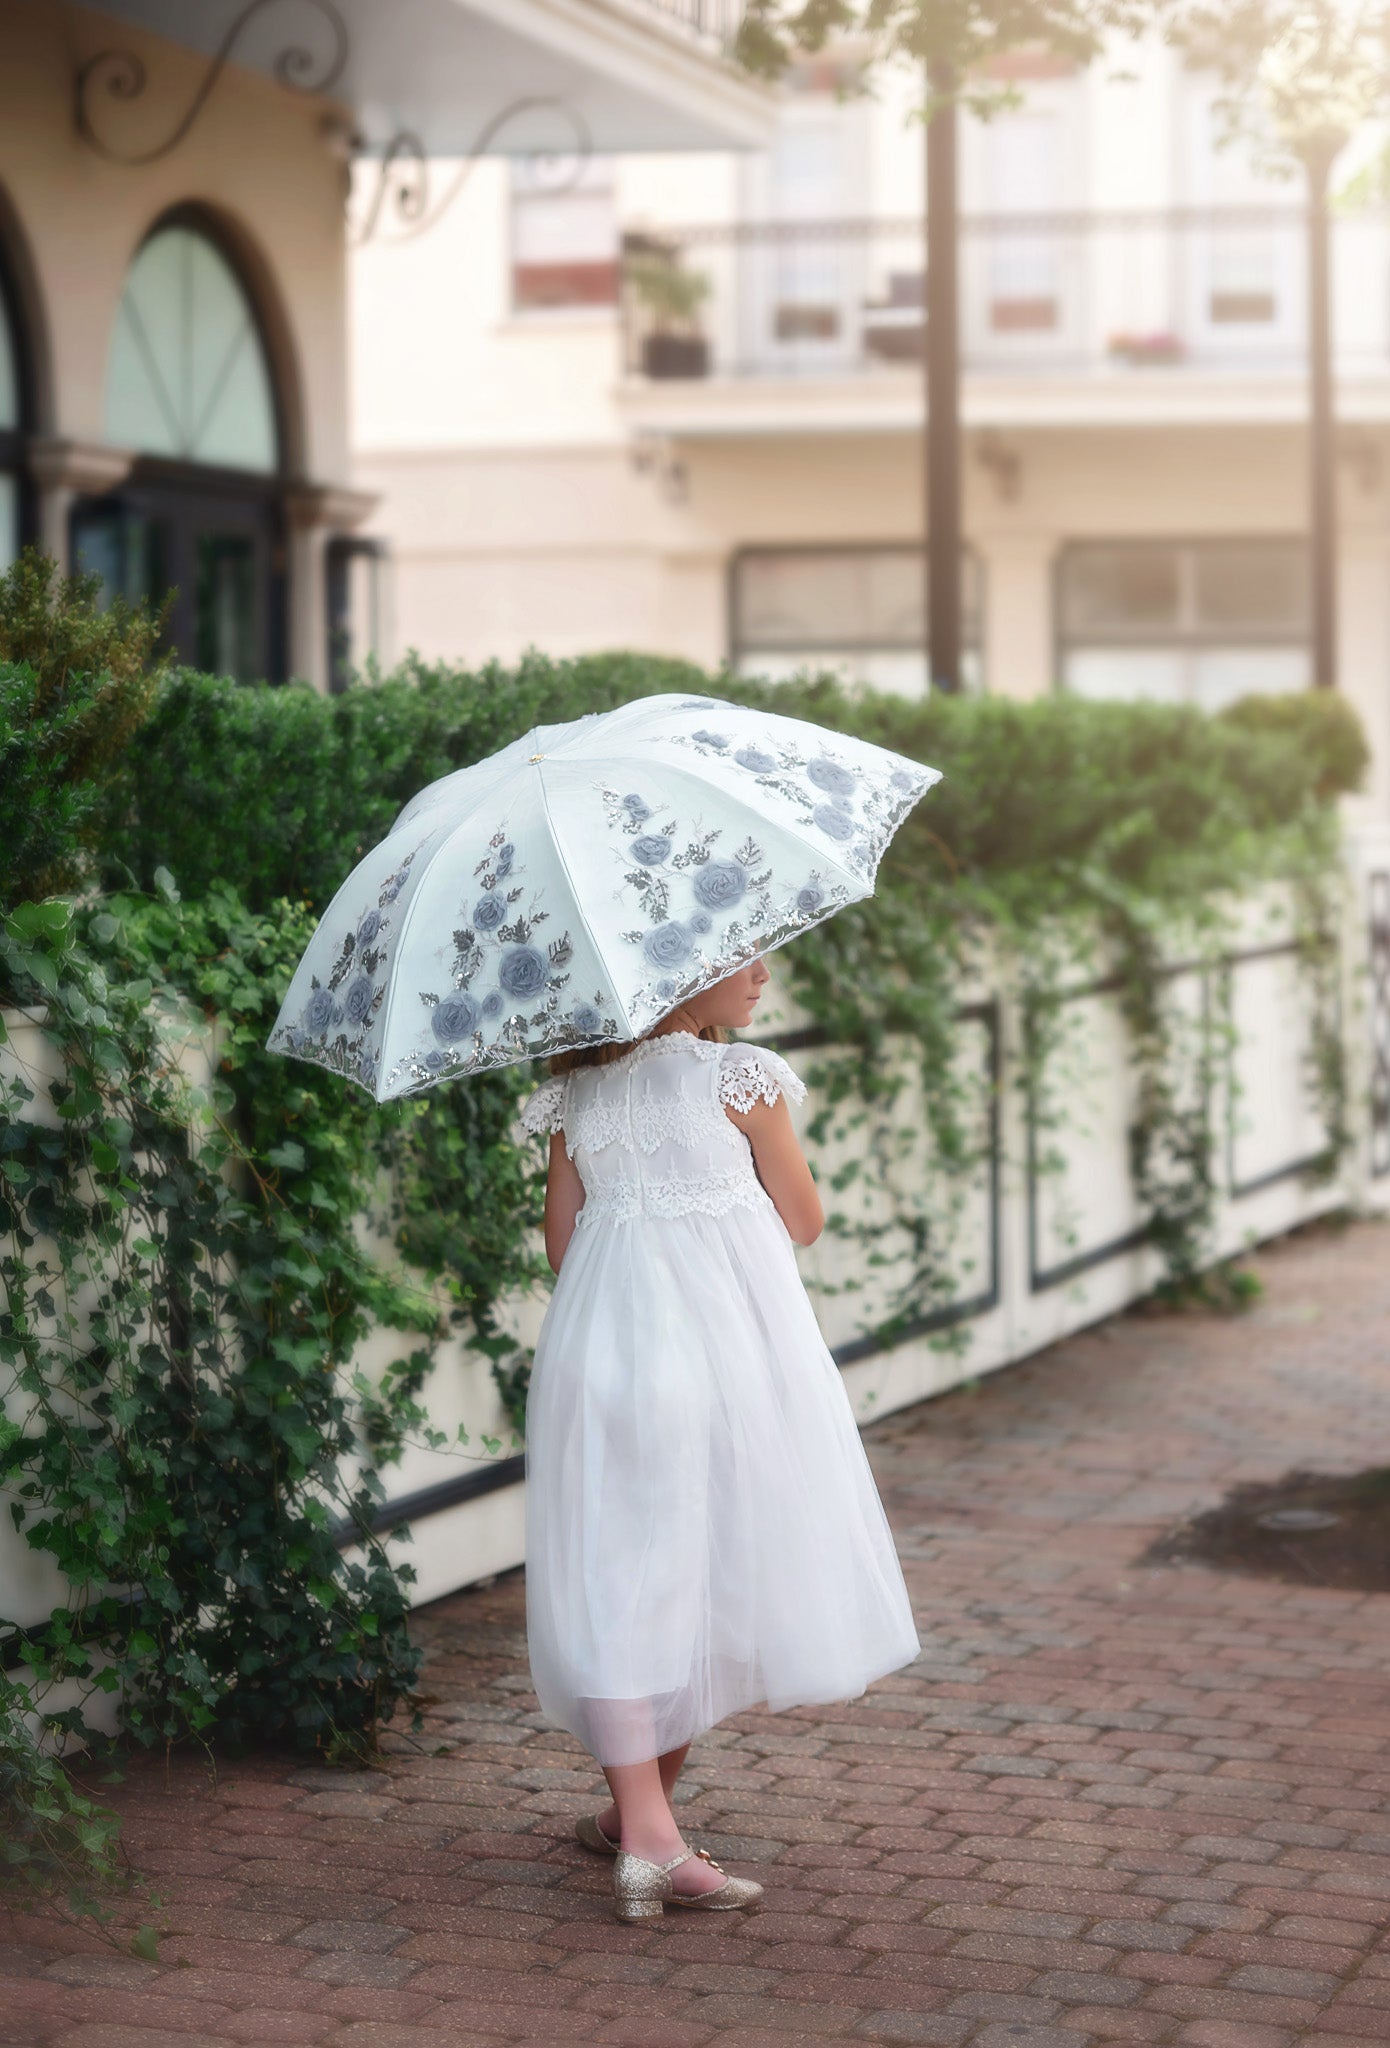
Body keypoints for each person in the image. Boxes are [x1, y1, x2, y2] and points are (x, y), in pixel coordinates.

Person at [517, 948, 921, 1924]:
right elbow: (804, 1216)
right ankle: (653, 1841)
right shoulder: (739, 1077)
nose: (764, 973)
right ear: (675, 971)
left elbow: (562, 1242)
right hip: (723, 1356)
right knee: (707, 1570)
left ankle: (635, 1814)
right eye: (741, 956)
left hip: (602, 1353)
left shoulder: (576, 1097)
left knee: (626, 1575)